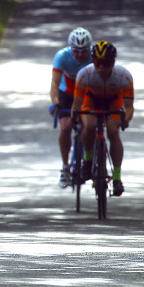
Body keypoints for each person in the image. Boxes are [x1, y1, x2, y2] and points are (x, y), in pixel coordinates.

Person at [73, 41, 134, 196]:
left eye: (105, 63)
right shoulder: (84, 74)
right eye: (98, 63)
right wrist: (75, 116)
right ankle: (87, 161)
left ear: (113, 62)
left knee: (113, 131)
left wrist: (125, 119)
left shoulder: (124, 76)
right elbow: (77, 104)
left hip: (113, 102)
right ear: (94, 62)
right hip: (91, 100)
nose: (101, 67)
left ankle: (117, 178)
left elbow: (128, 107)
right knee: (90, 126)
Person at [50, 27, 92, 187]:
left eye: (84, 51)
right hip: (67, 93)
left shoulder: (95, 56)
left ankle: (92, 160)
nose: (80, 54)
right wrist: (55, 102)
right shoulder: (62, 56)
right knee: (66, 127)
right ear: (70, 48)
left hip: (88, 93)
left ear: (90, 49)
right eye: (76, 50)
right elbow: (54, 83)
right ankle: (65, 167)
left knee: (90, 126)